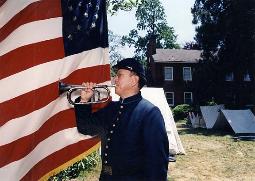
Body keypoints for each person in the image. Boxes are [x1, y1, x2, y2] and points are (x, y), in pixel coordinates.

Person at [74, 58, 169, 181]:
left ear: (134, 80)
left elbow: (157, 165)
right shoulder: (111, 108)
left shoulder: (150, 113)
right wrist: (84, 101)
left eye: (119, 75)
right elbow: (85, 128)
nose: (115, 79)